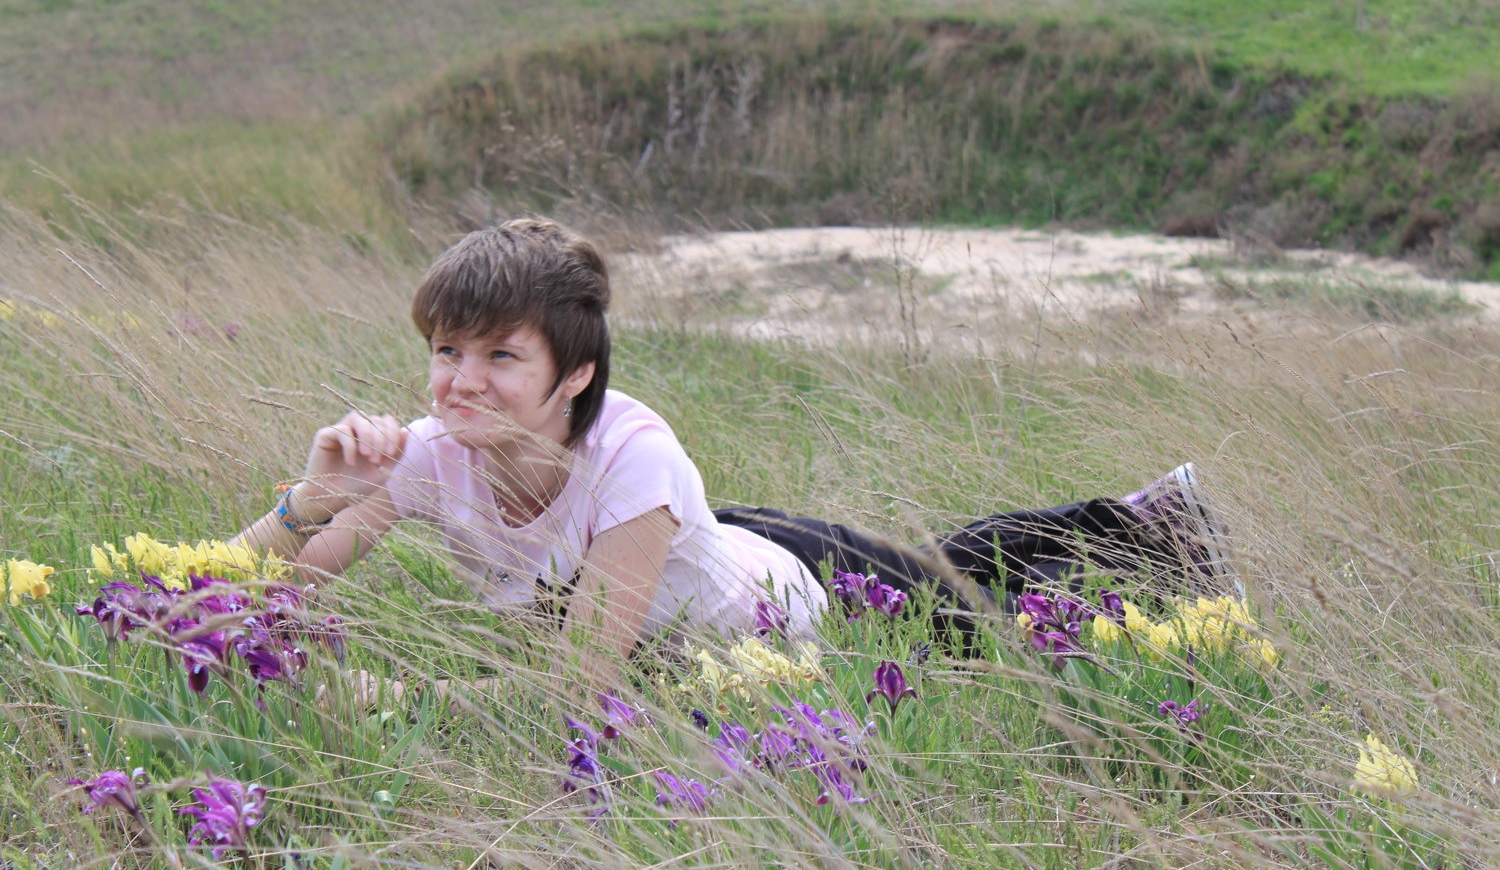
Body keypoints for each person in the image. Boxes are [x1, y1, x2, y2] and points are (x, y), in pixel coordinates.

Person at [235, 219, 1240, 687]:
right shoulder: (428, 455)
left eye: (501, 356)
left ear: (574, 374)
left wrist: (401, 701)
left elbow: (579, 680)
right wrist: (312, 496)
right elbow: (240, 590)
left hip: (793, 602)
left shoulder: (633, 452)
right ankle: (1142, 520)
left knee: (981, 617)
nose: (461, 381)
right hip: (700, 552)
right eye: (447, 351)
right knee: (947, 561)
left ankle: (1153, 534)